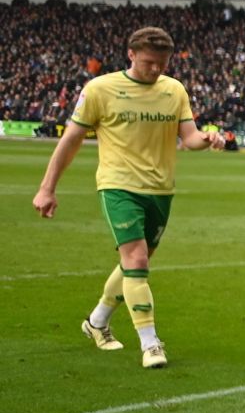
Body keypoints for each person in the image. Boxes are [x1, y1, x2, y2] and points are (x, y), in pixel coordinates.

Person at [31, 26, 227, 370]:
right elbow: (72, 139)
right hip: (118, 186)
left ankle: (96, 322)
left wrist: (208, 138)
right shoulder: (100, 89)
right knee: (136, 260)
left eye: (162, 64)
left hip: (161, 190)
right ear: (131, 54)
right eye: (149, 62)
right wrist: (47, 188)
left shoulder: (174, 90)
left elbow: (189, 138)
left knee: (134, 264)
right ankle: (150, 344)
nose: (156, 70)